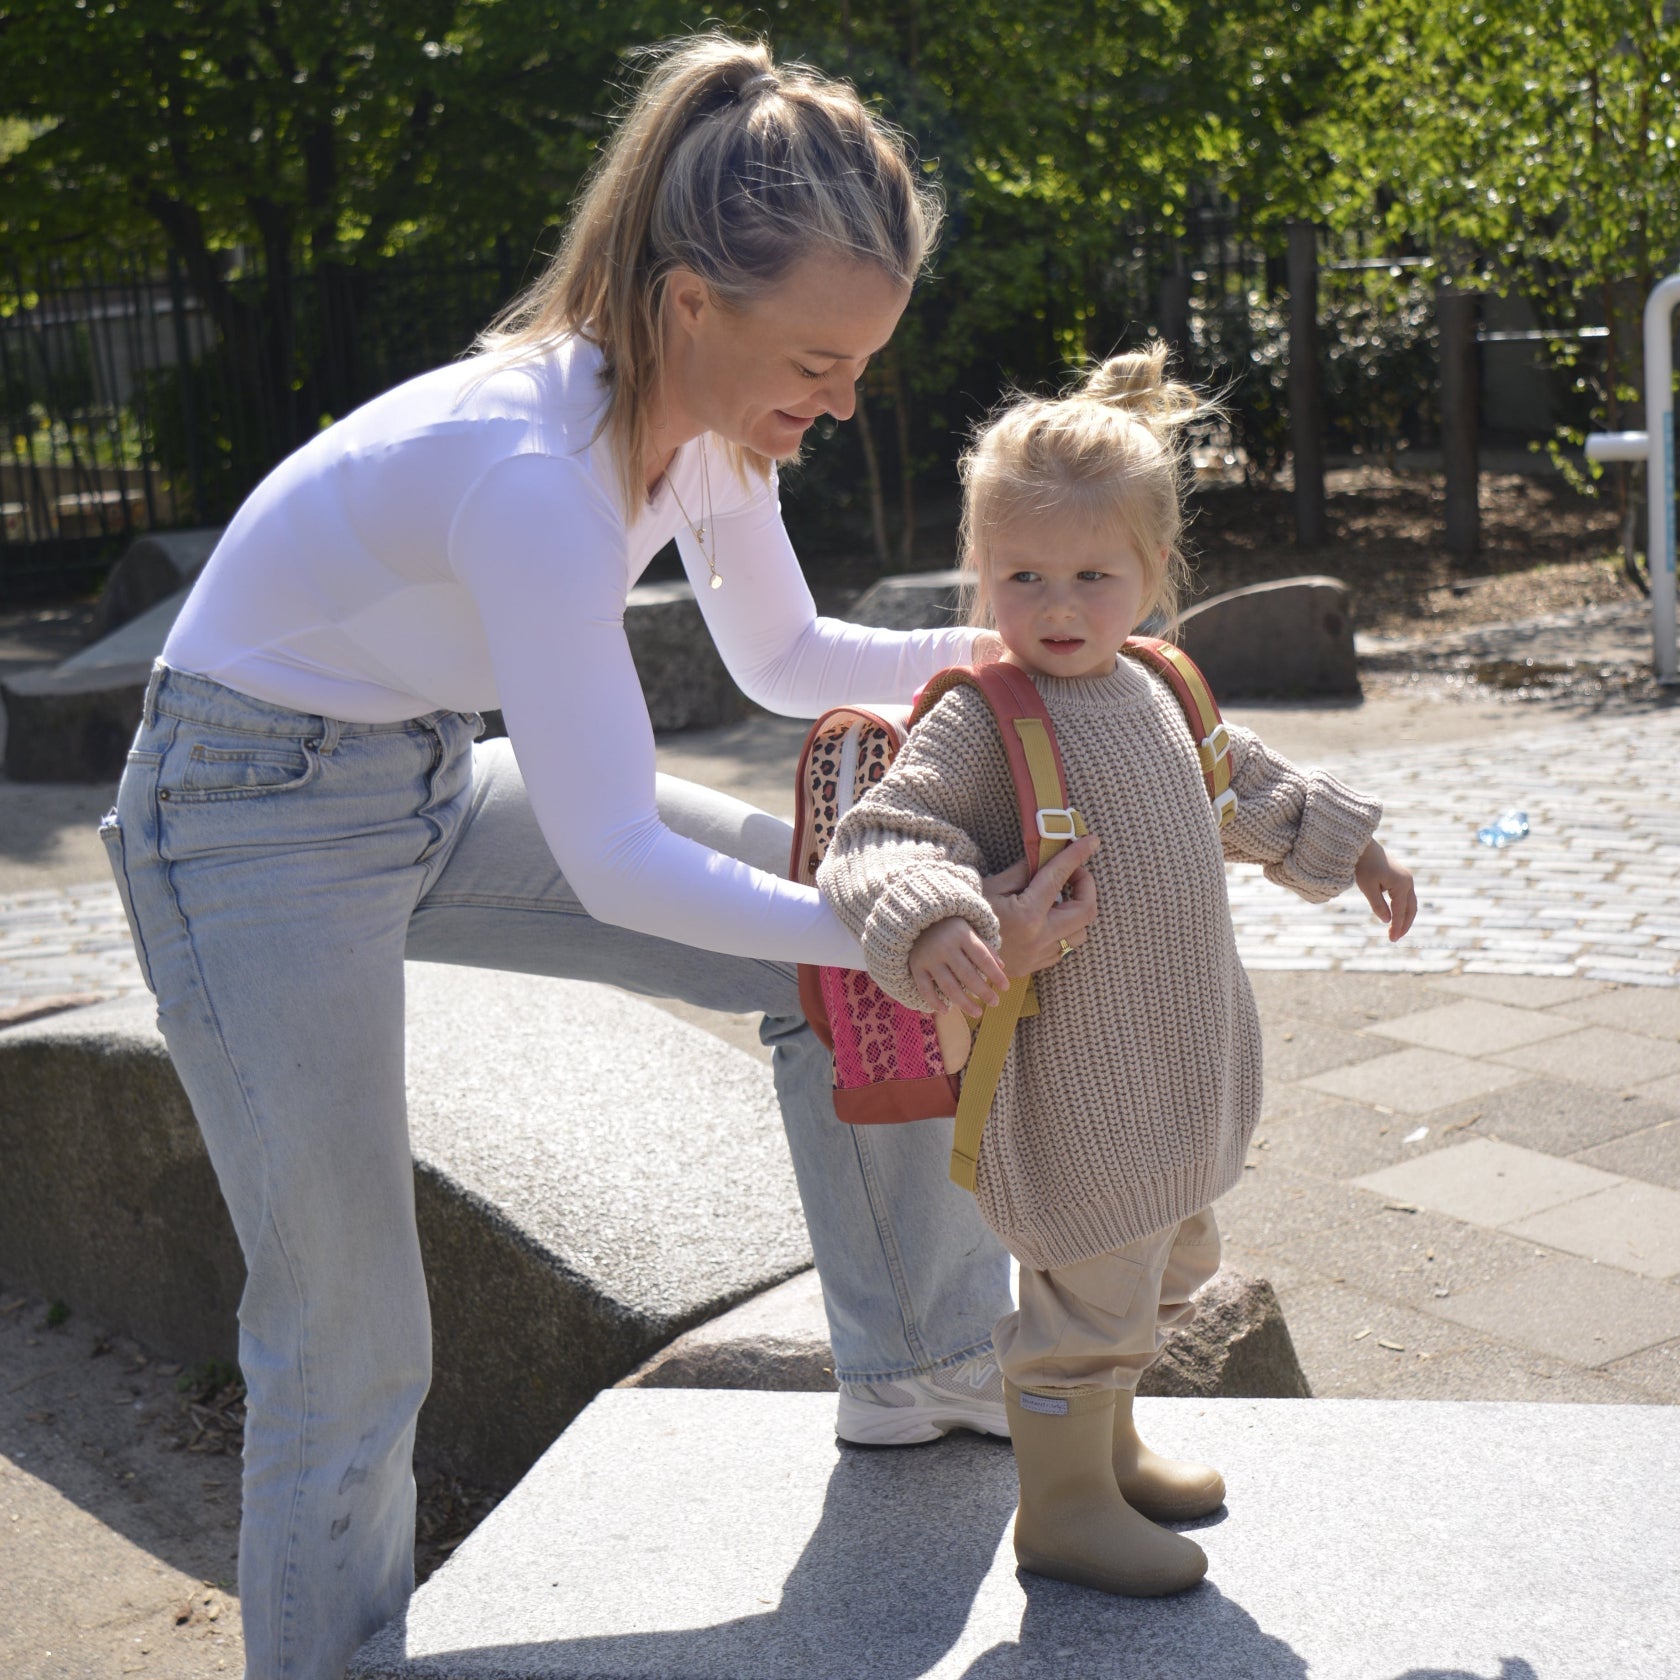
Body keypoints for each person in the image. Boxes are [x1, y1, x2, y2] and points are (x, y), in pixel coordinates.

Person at [98, 35, 1098, 1679]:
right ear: (691, 301)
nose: (842, 401)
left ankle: (924, 1364)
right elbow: (619, 849)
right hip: (243, 817)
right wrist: (907, 930)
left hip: (409, 772)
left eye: (861, 363)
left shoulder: (706, 423)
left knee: (809, 961)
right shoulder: (536, 477)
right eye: (820, 359)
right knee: (348, 1339)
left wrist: (1016, 659)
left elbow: (781, 655)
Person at [819, 344, 1418, 1598]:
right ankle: (1064, 1505)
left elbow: (1241, 786)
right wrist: (936, 919)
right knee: (1086, 1303)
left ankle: (1111, 1443)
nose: (1058, 603)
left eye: (1094, 575)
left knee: (1166, 1265)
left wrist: (1350, 846)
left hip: (1180, 1069)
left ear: (1152, 575)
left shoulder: (1159, 683)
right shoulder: (982, 719)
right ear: (981, 573)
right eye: (1023, 574)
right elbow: (883, 835)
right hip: (1078, 1089)